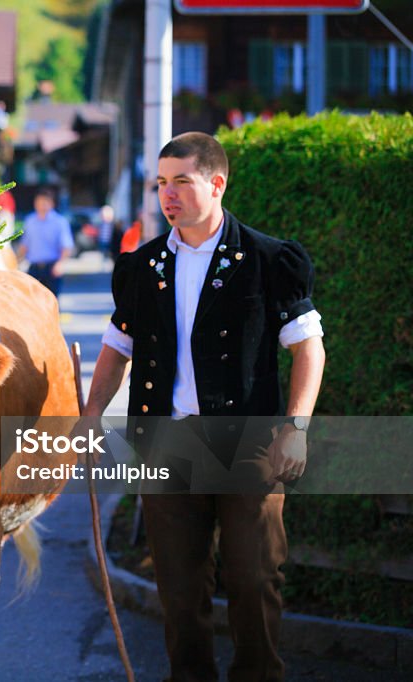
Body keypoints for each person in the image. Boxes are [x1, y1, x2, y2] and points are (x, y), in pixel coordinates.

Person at [80, 132, 325, 682]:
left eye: (181, 182)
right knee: (179, 585)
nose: (167, 195)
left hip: (250, 445)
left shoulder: (266, 259)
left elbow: (310, 348)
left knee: (253, 578)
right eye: (161, 184)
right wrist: (93, 413)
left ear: (216, 184)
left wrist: (297, 427)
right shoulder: (142, 267)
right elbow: (117, 349)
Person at [17, 188, 73, 296]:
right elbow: (24, 245)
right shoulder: (30, 220)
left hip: (51, 268)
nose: (41, 205)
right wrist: (16, 262)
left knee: (51, 302)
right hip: (34, 268)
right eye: (38, 202)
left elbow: (66, 246)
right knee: (32, 302)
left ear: (51, 203)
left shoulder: (59, 222)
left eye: (44, 202)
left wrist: (60, 264)